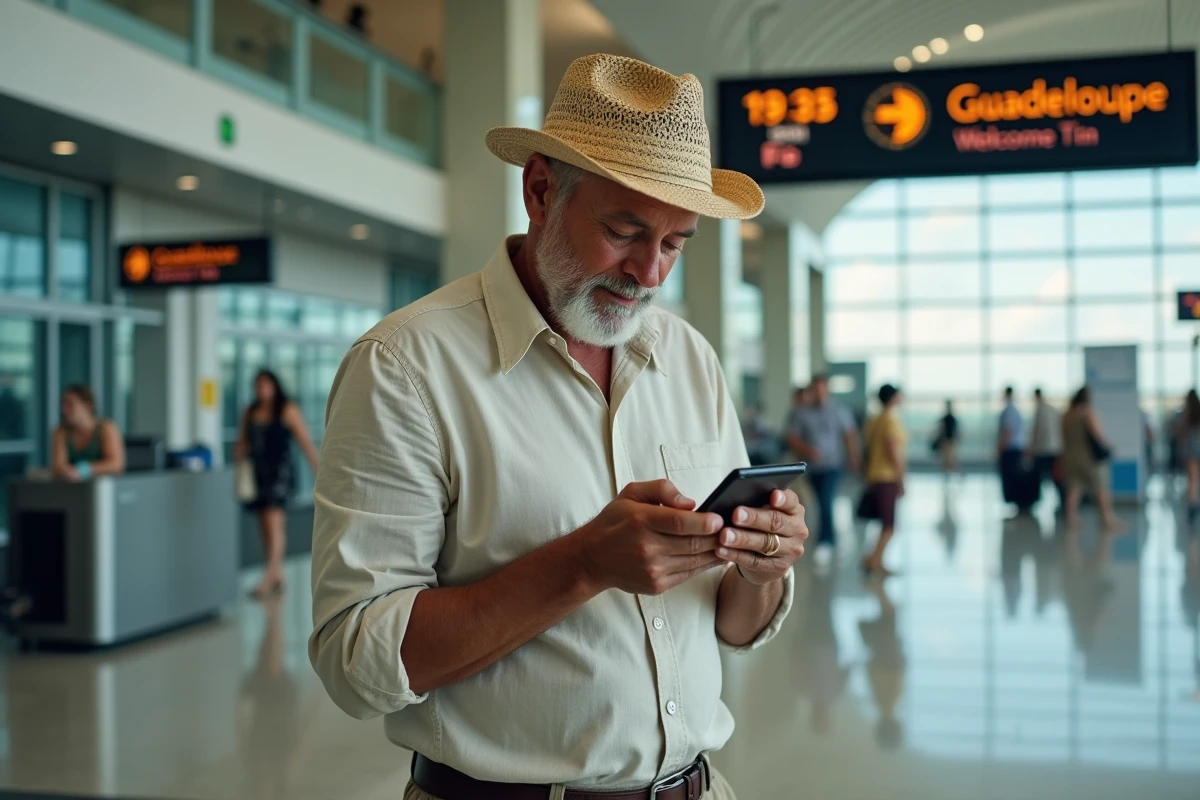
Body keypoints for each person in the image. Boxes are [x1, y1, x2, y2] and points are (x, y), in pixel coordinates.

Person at [309, 55, 807, 799]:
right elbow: (355, 661)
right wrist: (581, 565)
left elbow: (733, 626)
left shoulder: (689, 359)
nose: (650, 273)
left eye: (676, 243)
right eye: (624, 231)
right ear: (540, 190)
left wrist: (760, 566)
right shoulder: (405, 367)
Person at [235, 370, 319, 598]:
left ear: (274, 386)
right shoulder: (251, 412)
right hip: (258, 475)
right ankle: (278, 573)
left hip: (279, 475)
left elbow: (305, 441)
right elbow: (242, 442)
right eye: (258, 386)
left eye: (266, 385)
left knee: (274, 523)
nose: (262, 390)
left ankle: (269, 577)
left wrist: (317, 468)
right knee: (264, 525)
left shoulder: (287, 410)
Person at [787, 374, 860, 569]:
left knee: (826, 500)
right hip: (812, 468)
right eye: (815, 390)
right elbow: (791, 438)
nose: (819, 394)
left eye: (822, 389)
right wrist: (808, 450)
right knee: (818, 502)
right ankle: (825, 537)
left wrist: (853, 457)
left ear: (827, 390)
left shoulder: (839, 411)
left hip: (833, 465)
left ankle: (826, 540)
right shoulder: (802, 413)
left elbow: (849, 435)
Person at [1061, 386, 1123, 532]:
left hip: (1070, 456)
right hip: (1089, 458)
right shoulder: (1088, 414)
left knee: (1074, 488)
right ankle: (1106, 519)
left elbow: (1063, 437)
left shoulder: (1066, 416)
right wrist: (1108, 447)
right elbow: (1097, 434)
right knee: (1101, 487)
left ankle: (1071, 519)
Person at [860, 384, 907, 577]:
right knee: (889, 525)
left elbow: (867, 450)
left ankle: (876, 561)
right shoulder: (890, 421)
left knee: (884, 524)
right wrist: (902, 479)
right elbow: (893, 452)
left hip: (874, 476)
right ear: (893, 398)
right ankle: (872, 561)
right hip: (887, 477)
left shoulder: (873, 421)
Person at [50, 385, 125, 481]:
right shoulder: (61, 432)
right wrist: (65, 471)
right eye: (63, 405)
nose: (64, 410)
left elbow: (116, 464)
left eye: (70, 404)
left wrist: (83, 470)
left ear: (88, 406)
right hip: (72, 487)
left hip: (103, 487)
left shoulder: (106, 429)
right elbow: (58, 467)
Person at [1028, 388, 1063, 510]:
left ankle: (1034, 500)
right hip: (1055, 448)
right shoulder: (1052, 409)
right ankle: (1061, 500)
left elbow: (1036, 432)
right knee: (1055, 477)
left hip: (1042, 450)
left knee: (1037, 476)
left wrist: (1031, 448)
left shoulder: (1039, 410)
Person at [997, 386, 1027, 510]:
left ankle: (1017, 501)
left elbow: (1007, 431)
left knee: (1011, 478)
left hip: (1010, 450)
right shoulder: (1015, 410)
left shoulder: (1008, 411)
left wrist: (1000, 447)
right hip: (1016, 448)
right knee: (1015, 476)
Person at [1180, 389, 1200, 522]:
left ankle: (1192, 502)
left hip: (1191, 447)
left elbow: (1183, 430)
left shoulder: (1187, 412)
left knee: (1192, 478)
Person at [934, 399, 959, 477]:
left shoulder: (950, 418)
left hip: (949, 440)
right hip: (946, 440)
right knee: (947, 457)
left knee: (950, 457)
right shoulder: (948, 418)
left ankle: (951, 472)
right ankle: (947, 472)